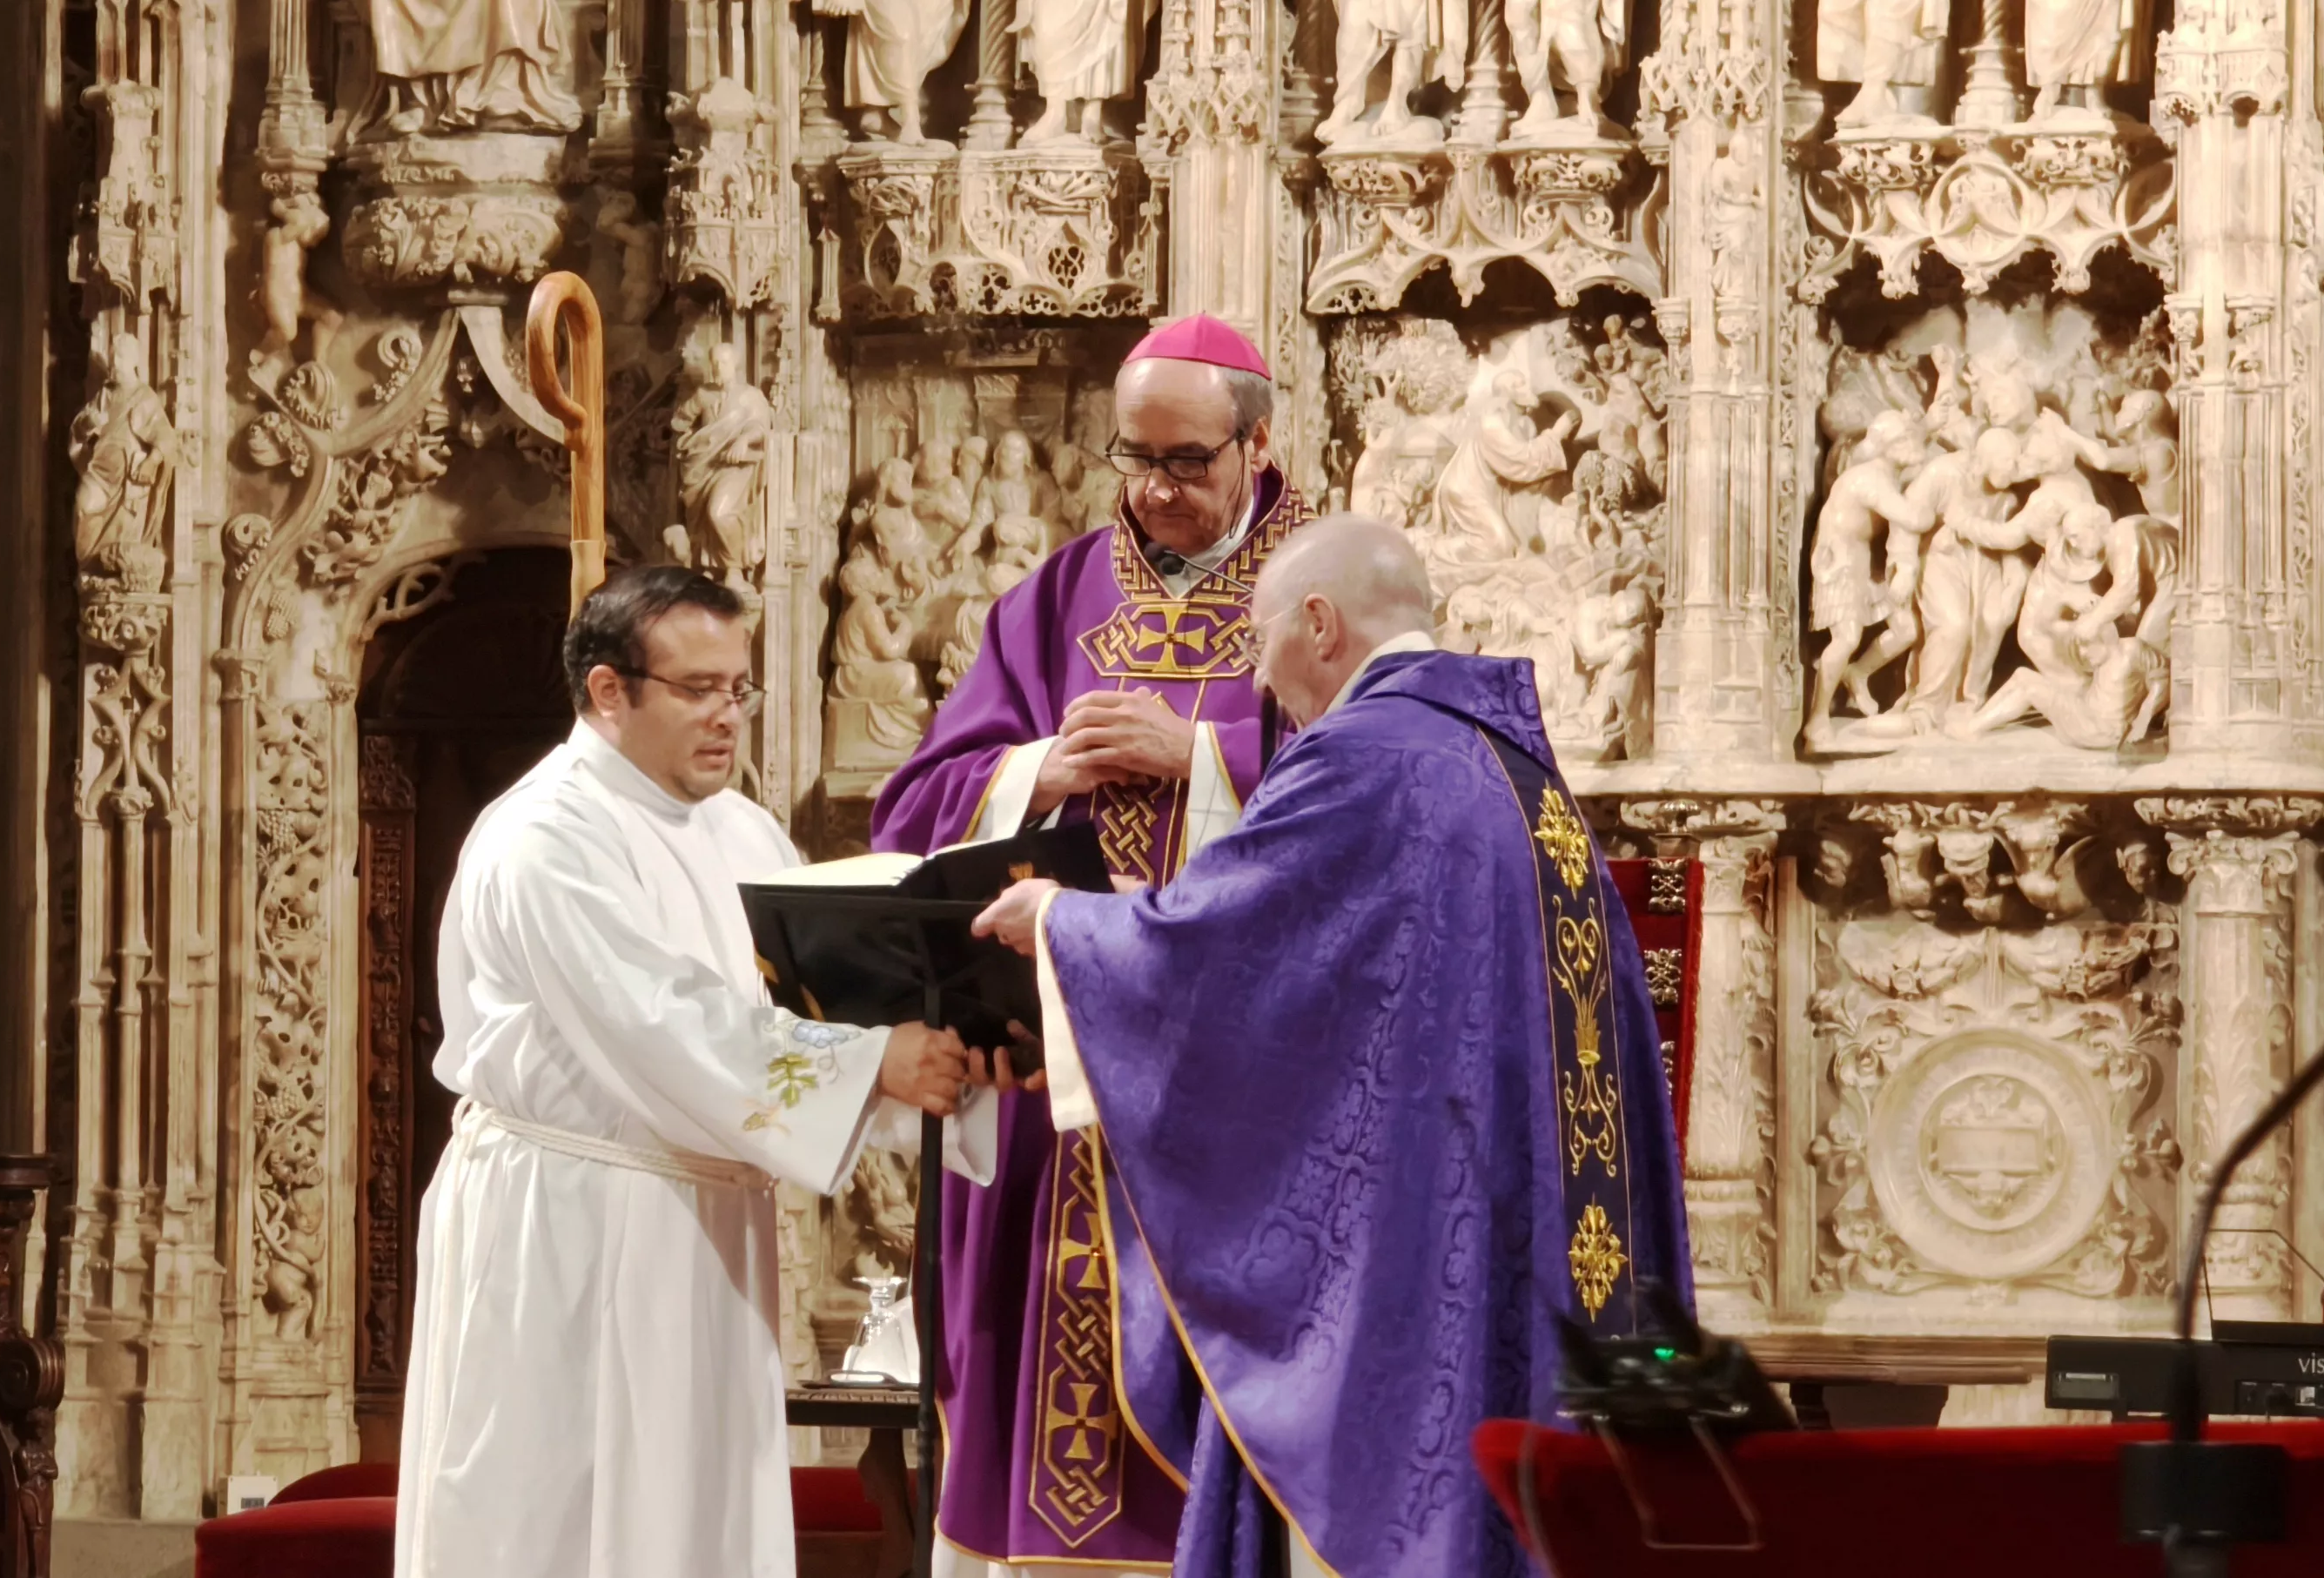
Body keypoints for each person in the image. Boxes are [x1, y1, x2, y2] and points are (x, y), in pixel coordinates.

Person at [972, 514, 1692, 1578]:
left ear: (1318, 624)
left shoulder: (1361, 757)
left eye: (1258, 643)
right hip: (1524, 1247)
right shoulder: (1513, 772)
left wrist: (1066, 925)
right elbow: (1318, 957)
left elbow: (1231, 978)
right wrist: (1160, 909)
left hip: (1407, 1275)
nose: (1258, 682)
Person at [394, 566, 1024, 1578]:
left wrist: (955, 1053)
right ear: (608, 691)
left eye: (739, 687)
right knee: (561, 1509)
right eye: (698, 689)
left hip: (704, 1228)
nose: (729, 716)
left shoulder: (738, 828)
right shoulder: (543, 836)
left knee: (699, 1516)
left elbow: (804, 1000)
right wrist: (874, 1065)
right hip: (570, 1225)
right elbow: (656, 1021)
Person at [870, 314, 1313, 1576]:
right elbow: (912, 805)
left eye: (1185, 461)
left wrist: (1211, 762)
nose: (1155, 489)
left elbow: (1391, 799)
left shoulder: (1319, 587)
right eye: (1133, 458)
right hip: (1052, 1063)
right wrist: (1028, 773)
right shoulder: (1055, 596)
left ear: (1255, 442)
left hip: (1234, 1073)